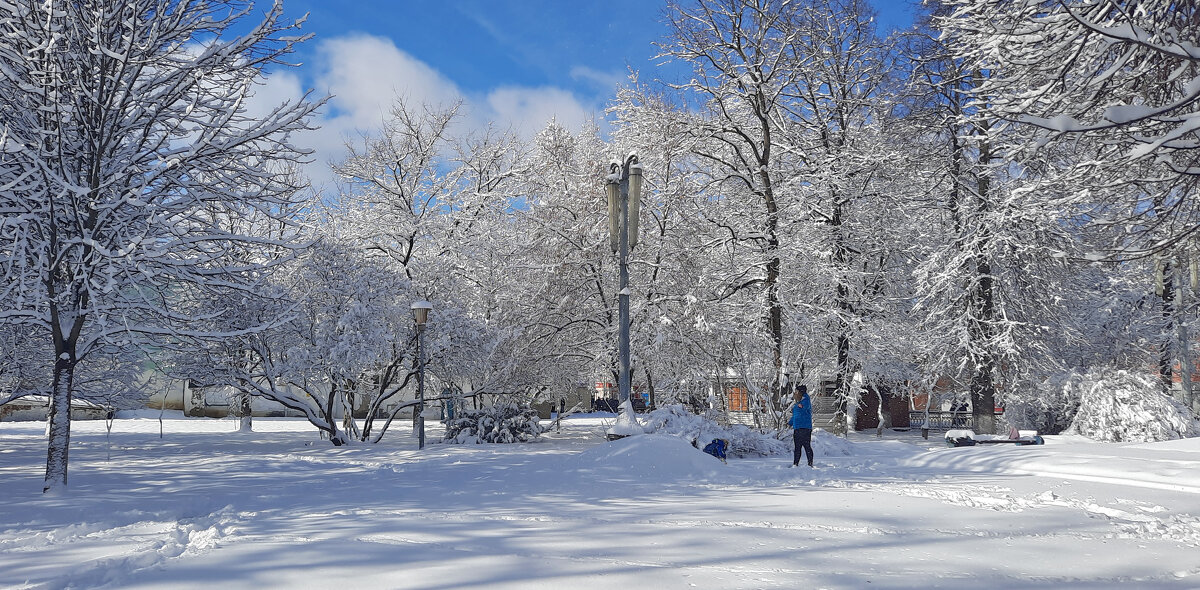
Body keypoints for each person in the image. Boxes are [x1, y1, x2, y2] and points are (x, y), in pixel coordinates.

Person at [789, 385, 814, 467]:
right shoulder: (798, 402)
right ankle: (795, 464)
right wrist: (790, 422)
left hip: (805, 428)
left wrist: (799, 403)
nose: (795, 393)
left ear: (801, 392)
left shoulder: (806, 401)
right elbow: (795, 415)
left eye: (797, 391)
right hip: (797, 427)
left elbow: (803, 410)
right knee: (797, 447)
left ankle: (810, 463)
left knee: (806, 446)